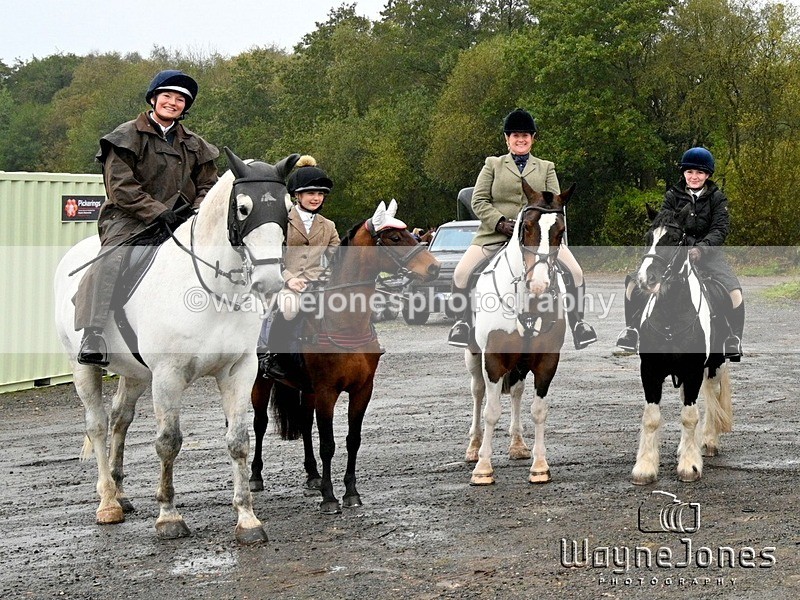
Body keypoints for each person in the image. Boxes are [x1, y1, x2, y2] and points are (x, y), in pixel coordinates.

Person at [73, 69, 219, 366]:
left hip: (182, 219)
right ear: (154, 99)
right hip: (130, 219)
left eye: (180, 100)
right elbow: (121, 188)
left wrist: (196, 210)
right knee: (110, 260)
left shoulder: (196, 144)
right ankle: (93, 333)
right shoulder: (126, 136)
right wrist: (156, 211)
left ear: (185, 107)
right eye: (167, 96)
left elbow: (209, 185)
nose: (173, 103)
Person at [447, 108, 598, 350]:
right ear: (507, 139)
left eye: (526, 135)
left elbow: (555, 202)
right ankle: (462, 323)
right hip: (495, 234)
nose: (521, 139)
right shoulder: (493, 164)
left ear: (533, 139)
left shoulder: (546, 167)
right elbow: (478, 200)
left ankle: (578, 324)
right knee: (461, 273)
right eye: (516, 135)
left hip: (539, 237)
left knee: (576, 273)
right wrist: (498, 222)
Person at [615, 147, 744, 360]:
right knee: (633, 283)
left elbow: (720, 229)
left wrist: (700, 249)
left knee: (734, 292)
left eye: (700, 173)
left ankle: (733, 338)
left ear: (708, 175)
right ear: (684, 173)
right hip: (672, 254)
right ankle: (632, 331)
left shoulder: (717, 198)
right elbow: (663, 224)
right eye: (690, 172)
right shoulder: (672, 195)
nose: (694, 177)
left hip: (707, 254)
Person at [259, 157, 340, 382]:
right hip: (284, 282)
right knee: (290, 307)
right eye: (310, 193)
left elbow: (337, 257)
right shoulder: (280, 220)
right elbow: (271, 256)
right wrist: (288, 279)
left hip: (317, 282)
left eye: (320, 194)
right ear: (298, 195)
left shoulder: (328, 226)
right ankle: (275, 357)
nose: (316, 198)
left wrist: (331, 277)